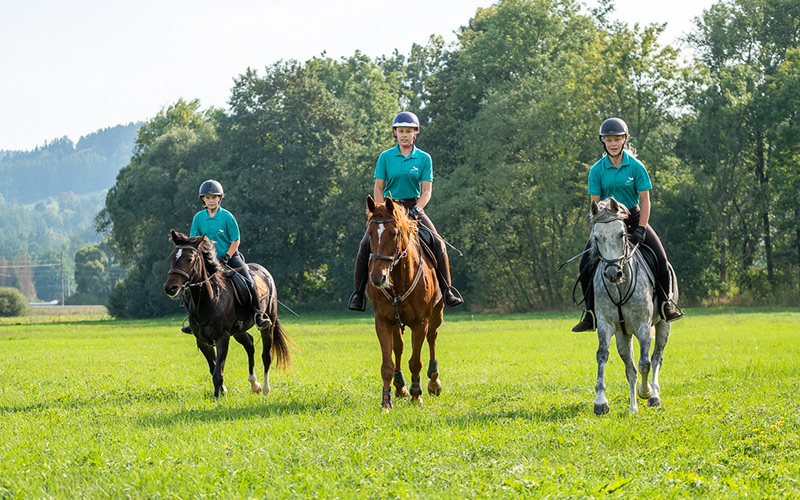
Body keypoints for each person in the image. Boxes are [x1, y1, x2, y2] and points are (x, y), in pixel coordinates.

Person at [572, 117, 684, 332]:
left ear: (624, 140)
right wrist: (599, 231)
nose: (613, 143)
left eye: (617, 139)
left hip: (633, 218)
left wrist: (641, 227)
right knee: (584, 264)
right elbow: (594, 205)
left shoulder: (635, 166)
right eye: (608, 140)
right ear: (603, 142)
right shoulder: (597, 170)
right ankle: (590, 314)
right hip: (608, 223)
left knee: (661, 258)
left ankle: (665, 306)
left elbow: (645, 200)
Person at [347, 111, 463, 311]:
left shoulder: (424, 158)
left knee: (438, 243)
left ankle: (447, 291)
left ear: (415, 133)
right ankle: (358, 294)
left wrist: (418, 209)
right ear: (395, 133)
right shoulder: (385, 157)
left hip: (413, 209)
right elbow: (378, 188)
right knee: (365, 245)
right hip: (387, 211)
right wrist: (381, 209)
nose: (404, 135)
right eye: (401, 131)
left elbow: (426, 191)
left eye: (409, 131)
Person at [181, 180, 270, 333]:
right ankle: (193, 320)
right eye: (207, 197)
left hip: (230, 256)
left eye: (214, 197)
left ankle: (258, 315)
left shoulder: (227, 217)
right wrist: (207, 256)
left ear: (220, 198)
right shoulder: (198, 218)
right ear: (203, 199)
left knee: (248, 280)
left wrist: (227, 256)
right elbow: (195, 241)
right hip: (208, 260)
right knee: (190, 285)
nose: (211, 200)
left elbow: (236, 240)